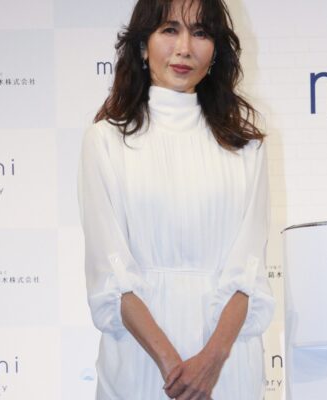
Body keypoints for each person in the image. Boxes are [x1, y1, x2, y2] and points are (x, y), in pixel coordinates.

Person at [77, 0, 275, 398]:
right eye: (169, 30)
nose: (184, 48)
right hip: (139, 359)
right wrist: (172, 366)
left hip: (227, 362)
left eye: (200, 33)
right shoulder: (106, 141)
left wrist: (211, 362)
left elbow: (249, 270)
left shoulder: (245, 145)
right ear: (142, 44)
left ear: (216, 51)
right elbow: (112, 273)